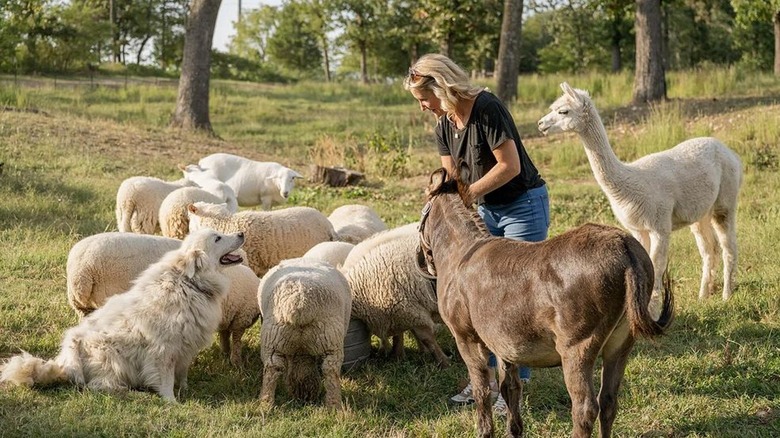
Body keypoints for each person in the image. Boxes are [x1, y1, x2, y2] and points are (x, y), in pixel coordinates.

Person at [403, 53, 550, 416]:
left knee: (513, 294)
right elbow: (452, 179)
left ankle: (514, 385)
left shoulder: (486, 108)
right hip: (485, 209)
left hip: (521, 204)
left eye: (424, 99)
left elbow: (510, 166)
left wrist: (469, 194)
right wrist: (441, 194)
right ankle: (481, 374)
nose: (423, 108)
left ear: (441, 87)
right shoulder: (443, 123)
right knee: (479, 291)